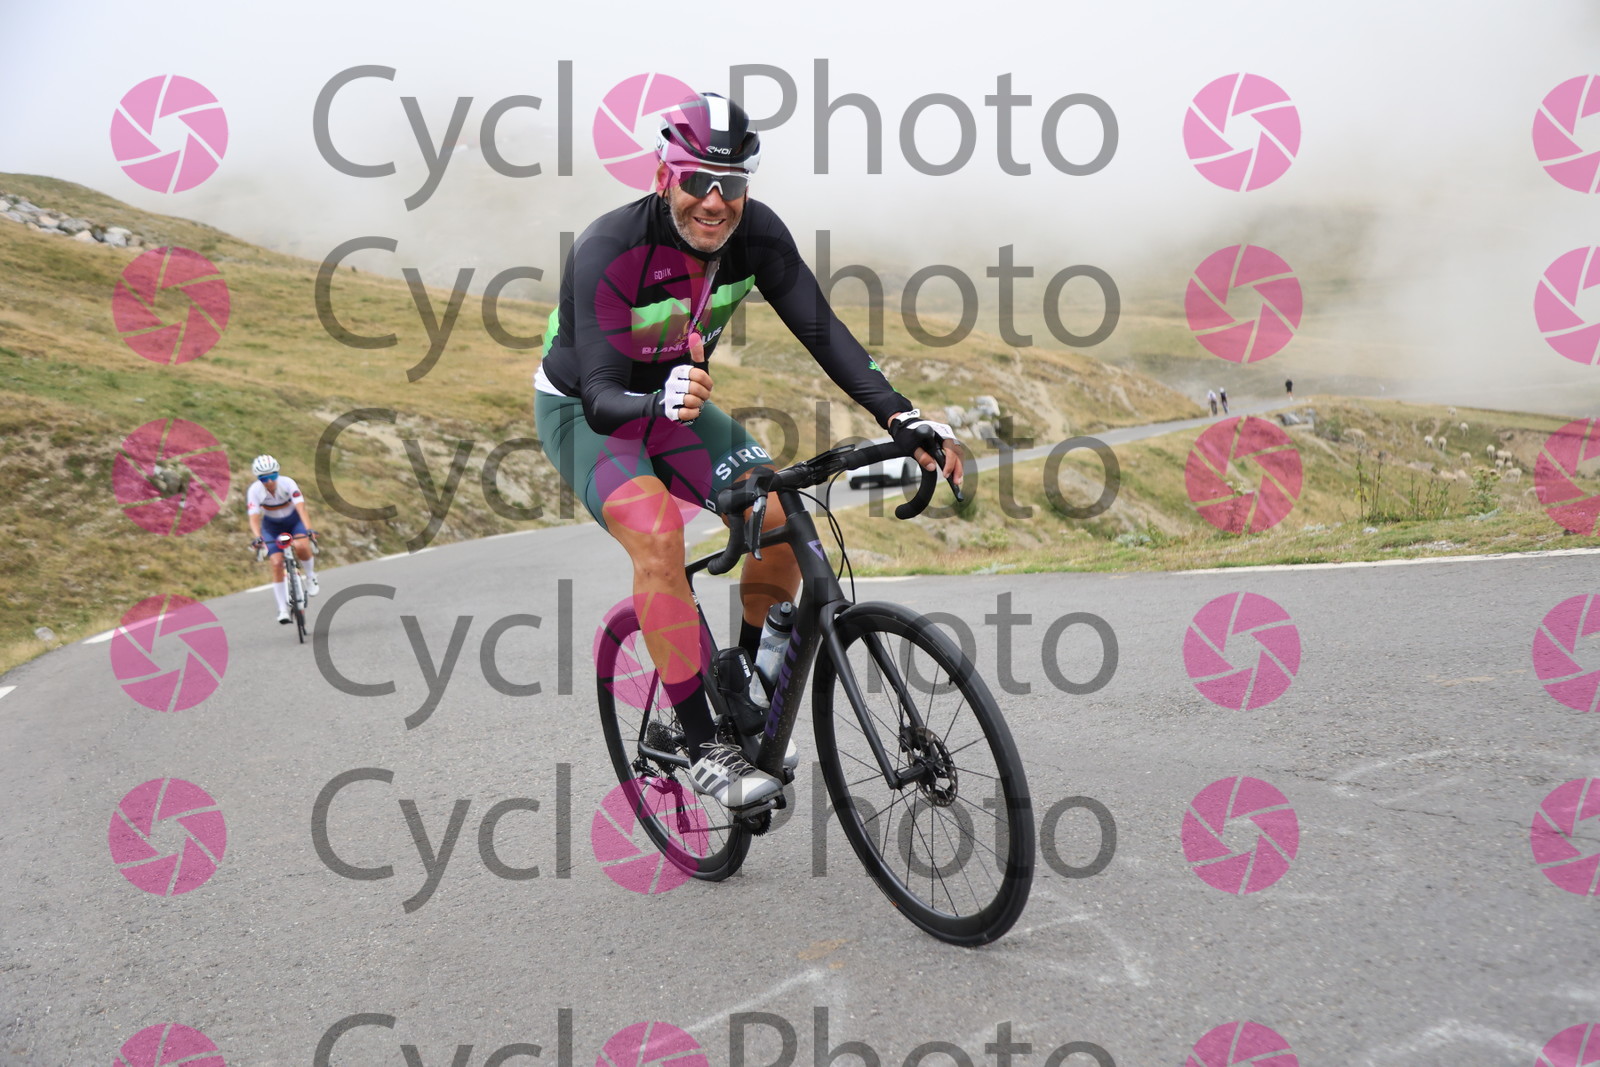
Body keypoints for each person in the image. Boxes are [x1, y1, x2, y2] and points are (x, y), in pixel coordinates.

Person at [533, 91, 961, 809]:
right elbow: (603, 393)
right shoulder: (610, 248)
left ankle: (754, 678)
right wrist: (656, 401)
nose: (714, 201)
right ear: (663, 175)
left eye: (731, 184)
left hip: (679, 404)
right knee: (657, 535)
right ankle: (705, 742)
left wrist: (903, 416)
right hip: (588, 410)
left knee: (780, 511)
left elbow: (823, 332)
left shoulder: (757, 234)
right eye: (697, 180)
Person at [246, 454, 318, 623]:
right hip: (272, 527)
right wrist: (258, 537)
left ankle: (310, 576)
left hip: (294, 522)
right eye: (264, 478)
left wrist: (308, 529)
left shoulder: (288, 483)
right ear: (259, 478)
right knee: (277, 563)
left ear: (277, 472)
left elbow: (301, 508)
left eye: (273, 476)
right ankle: (282, 609)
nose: (270, 481)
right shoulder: (254, 491)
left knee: (301, 546)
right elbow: (254, 517)